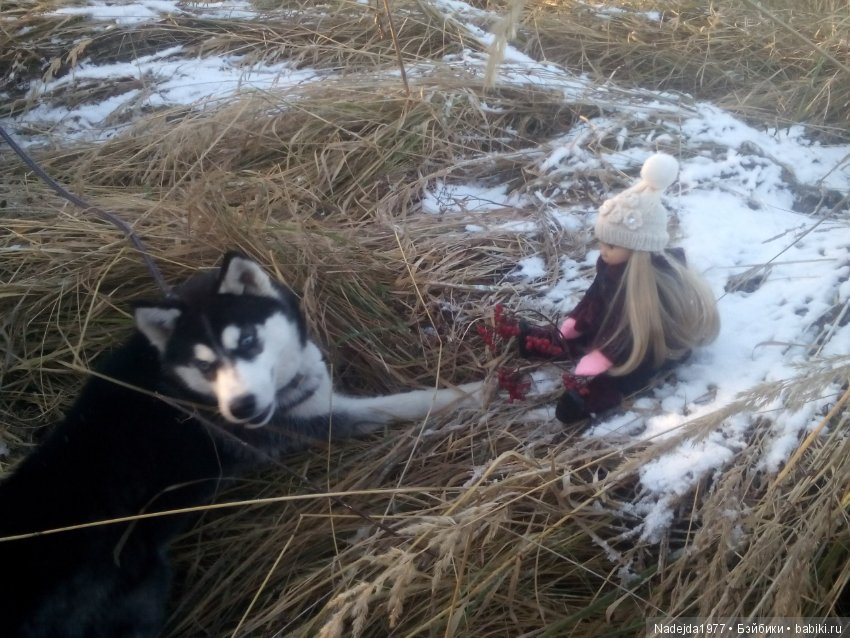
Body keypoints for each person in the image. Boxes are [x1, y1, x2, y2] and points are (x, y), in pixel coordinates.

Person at [515, 153, 720, 425]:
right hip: (614, 332)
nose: (603, 252)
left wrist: (603, 356)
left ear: (638, 249)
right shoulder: (611, 268)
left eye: (611, 246)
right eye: (602, 243)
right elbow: (596, 299)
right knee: (584, 336)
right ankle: (555, 345)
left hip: (647, 348)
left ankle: (591, 397)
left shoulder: (650, 286)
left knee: (624, 375)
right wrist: (575, 322)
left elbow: (633, 331)